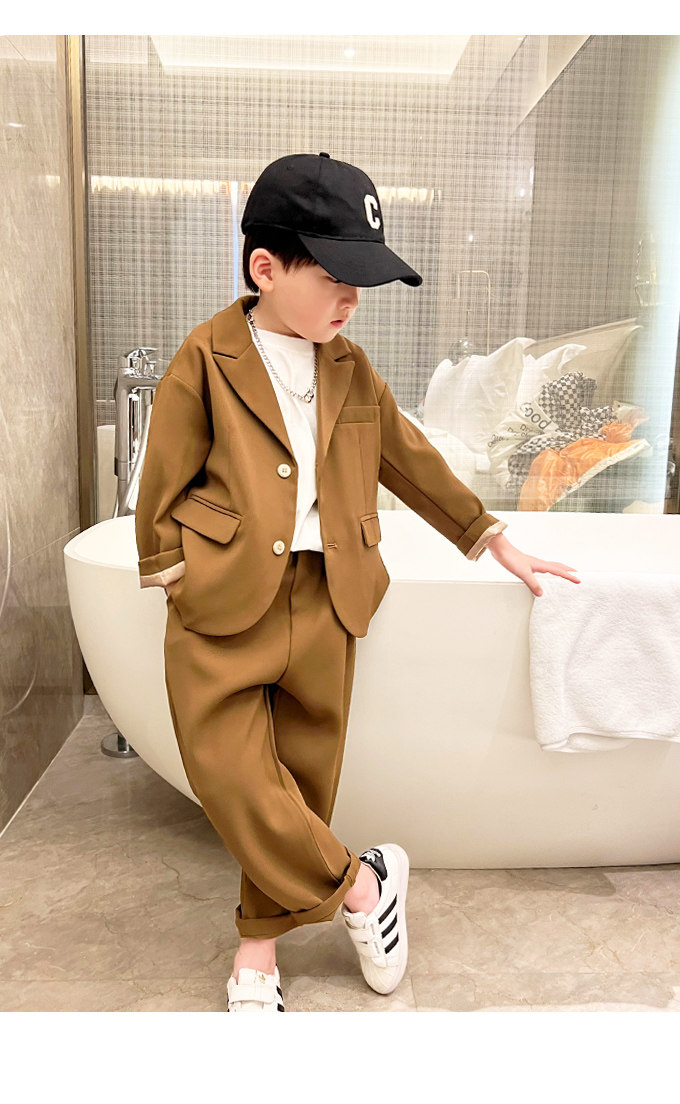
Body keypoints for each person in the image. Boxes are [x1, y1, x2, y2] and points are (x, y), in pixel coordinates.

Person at [135, 152, 580, 1013]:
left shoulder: (349, 366)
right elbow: (166, 471)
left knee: (301, 777)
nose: (350, 300)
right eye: (336, 278)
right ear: (265, 269)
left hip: (330, 593)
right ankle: (364, 886)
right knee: (228, 769)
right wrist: (172, 570)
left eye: (360, 285)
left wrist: (492, 539)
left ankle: (258, 947)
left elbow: (408, 460)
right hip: (225, 595)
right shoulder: (207, 356)